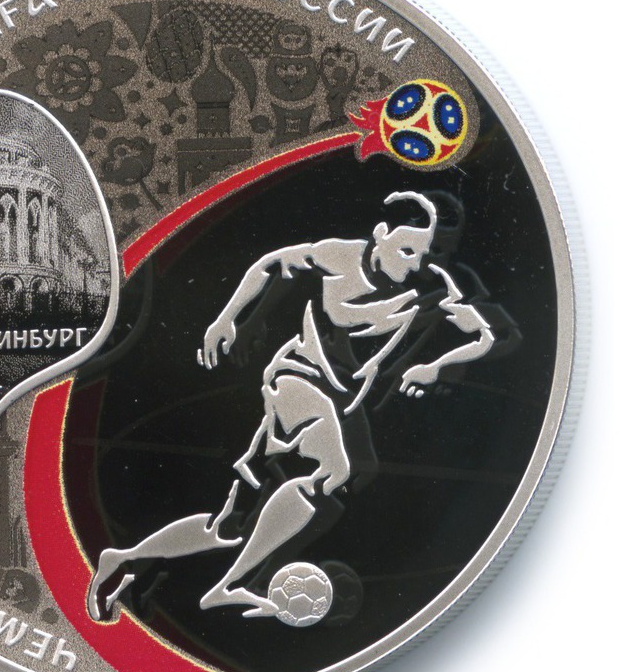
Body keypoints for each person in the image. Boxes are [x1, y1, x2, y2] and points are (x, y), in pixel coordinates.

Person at [87, 191, 495, 622]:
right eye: (406, 250)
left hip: (341, 398)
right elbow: (268, 265)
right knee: (332, 470)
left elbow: (482, 337)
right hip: (297, 378)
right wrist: (228, 318)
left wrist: (434, 367)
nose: (413, 263)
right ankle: (232, 586)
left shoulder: (430, 283)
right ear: (380, 234)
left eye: (423, 253)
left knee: (228, 526)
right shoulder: (338, 257)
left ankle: (123, 559)